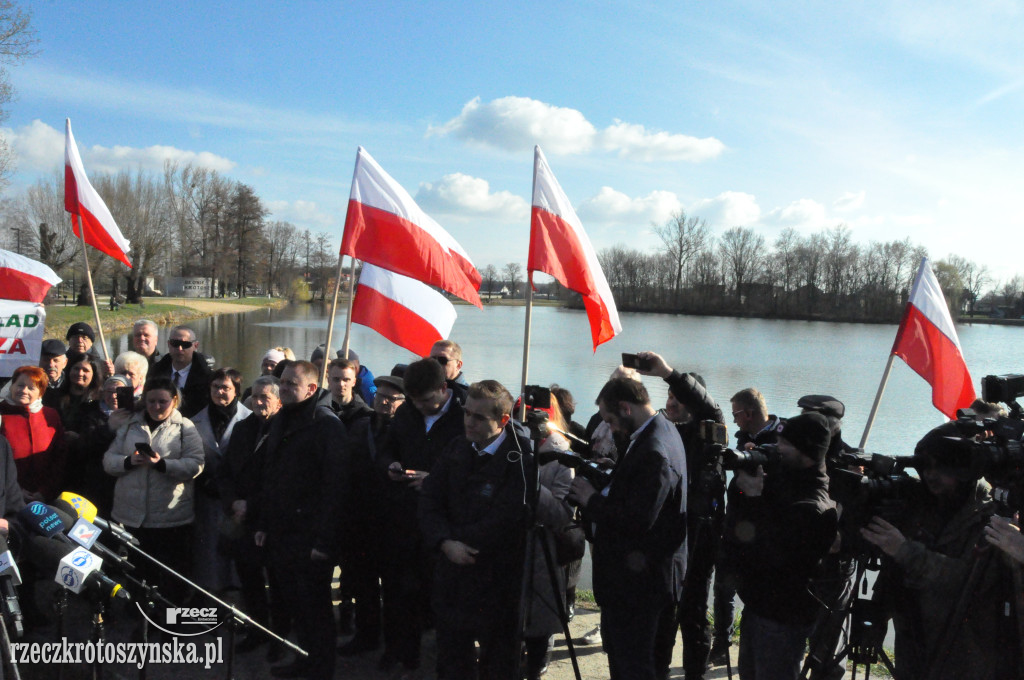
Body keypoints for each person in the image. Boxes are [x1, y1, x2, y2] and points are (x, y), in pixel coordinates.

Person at [861, 423, 1020, 679]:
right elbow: (894, 570)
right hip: (913, 637)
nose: (931, 475)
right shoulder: (918, 504)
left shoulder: (990, 517)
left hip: (962, 649)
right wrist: (876, 616)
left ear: (964, 471)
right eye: (926, 467)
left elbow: (966, 581)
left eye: (941, 468)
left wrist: (904, 550)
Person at [568, 377, 688, 680]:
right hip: (647, 578)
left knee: (632, 665)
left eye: (610, 419)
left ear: (625, 407)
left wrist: (590, 499)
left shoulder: (653, 449)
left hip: (640, 584)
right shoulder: (662, 429)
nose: (611, 428)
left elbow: (637, 520)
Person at [418, 380, 536, 680]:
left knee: (498, 665)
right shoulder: (458, 446)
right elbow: (430, 499)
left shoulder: (521, 458)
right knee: (451, 661)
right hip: (452, 575)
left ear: (504, 420)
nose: (469, 421)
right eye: (467, 413)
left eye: (479, 417)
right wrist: (445, 542)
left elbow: (507, 517)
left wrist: (461, 543)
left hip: (495, 581)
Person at [252, 361, 346, 680]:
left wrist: (325, 541)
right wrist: (263, 522)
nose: (285, 388)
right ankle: (305, 660)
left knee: (316, 608)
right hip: (282, 530)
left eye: (293, 384)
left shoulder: (326, 424)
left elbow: (335, 488)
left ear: (311, 388)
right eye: (283, 382)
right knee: (295, 605)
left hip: (310, 535)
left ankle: (322, 669)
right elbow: (270, 475)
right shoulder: (281, 420)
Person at [727, 412, 838, 680]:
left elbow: (774, 554)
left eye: (785, 444)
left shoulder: (814, 505)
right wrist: (747, 477)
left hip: (783, 617)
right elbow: (739, 520)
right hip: (758, 606)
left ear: (807, 451)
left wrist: (755, 498)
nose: (778, 448)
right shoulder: (785, 477)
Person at [637, 351, 726, 680]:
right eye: (669, 397)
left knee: (693, 615)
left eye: (678, 397)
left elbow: (711, 407)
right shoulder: (658, 430)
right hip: (665, 541)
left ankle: (695, 675)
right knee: (663, 617)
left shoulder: (708, 433)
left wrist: (668, 373)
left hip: (699, 539)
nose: (671, 403)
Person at [376, 358, 466, 675]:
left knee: (441, 597)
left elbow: (475, 469)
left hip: (446, 522)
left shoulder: (466, 414)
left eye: (426, 401)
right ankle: (401, 652)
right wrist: (390, 466)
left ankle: (445, 660)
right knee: (399, 591)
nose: (420, 407)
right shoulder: (407, 412)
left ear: (444, 388)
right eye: (414, 401)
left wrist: (435, 480)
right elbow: (387, 448)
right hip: (404, 518)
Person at [102, 376, 205, 605]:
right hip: (133, 517)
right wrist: (128, 461)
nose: (156, 407)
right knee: (139, 574)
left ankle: (169, 622)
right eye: (151, 402)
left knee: (170, 577)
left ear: (174, 401)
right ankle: (141, 621)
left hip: (170, 519)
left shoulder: (185, 427)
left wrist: (163, 465)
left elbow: (195, 465)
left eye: (162, 402)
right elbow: (109, 460)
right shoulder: (130, 425)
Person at [337, 370, 407, 657]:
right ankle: (366, 637)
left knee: (393, 590)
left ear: (404, 402)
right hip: (360, 519)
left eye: (392, 399)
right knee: (363, 584)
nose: (384, 402)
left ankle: (394, 646)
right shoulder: (358, 425)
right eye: (380, 397)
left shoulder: (407, 431)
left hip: (392, 522)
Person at [711, 386, 781, 664]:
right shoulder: (741, 438)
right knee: (723, 588)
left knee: (757, 593)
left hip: (764, 532)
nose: (734, 419)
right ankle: (721, 642)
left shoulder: (784, 439)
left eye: (736, 414)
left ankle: (756, 646)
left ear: (749, 413)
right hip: (734, 524)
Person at [218, 375, 283, 657]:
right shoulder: (244, 428)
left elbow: (280, 481)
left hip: (269, 517)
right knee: (249, 579)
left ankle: (278, 638)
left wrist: (251, 505)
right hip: (240, 516)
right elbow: (226, 471)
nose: (257, 402)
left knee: (277, 582)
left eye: (264, 397)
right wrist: (233, 501)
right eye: (254, 396)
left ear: (279, 402)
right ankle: (257, 629)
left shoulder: (285, 431)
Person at [190, 368, 252, 592]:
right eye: (215, 387)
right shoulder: (194, 420)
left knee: (237, 556)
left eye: (225, 388)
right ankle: (210, 602)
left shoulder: (249, 420)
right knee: (209, 555)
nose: (219, 392)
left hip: (237, 499)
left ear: (236, 391)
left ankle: (237, 601)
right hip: (206, 495)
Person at [64, 374, 134, 517]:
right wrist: (108, 427)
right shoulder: (89, 412)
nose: (114, 396)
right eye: (110, 392)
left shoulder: (136, 414)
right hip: (96, 481)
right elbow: (84, 445)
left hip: (127, 481)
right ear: (102, 393)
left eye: (120, 392)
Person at [0, 365, 68, 503]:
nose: (24, 391)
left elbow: (59, 457)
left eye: (31, 388)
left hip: (44, 497)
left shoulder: (50, 415)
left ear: (40, 392)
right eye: (20, 385)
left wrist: (45, 491)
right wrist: (15, 490)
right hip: (7, 498)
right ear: (12, 386)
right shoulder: (2, 413)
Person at [151, 326, 213, 418]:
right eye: (175, 343)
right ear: (169, 344)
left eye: (185, 344)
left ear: (195, 346)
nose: (180, 348)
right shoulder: (155, 372)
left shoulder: (208, 377)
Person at [326, 358, 373, 426]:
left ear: (354, 382)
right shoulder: (318, 408)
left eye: (346, 380)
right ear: (328, 381)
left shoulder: (365, 414)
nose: (341, 384)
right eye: (336, 379)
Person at [39, 339, 68, 409]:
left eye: (56, 360)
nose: (51, 365)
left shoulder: (71, 385)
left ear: (65, 363)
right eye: (46, 360)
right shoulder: (31, 384)